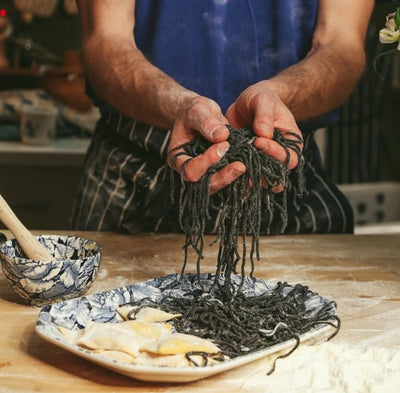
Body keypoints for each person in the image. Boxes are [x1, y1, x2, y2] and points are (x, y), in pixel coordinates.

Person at [71, 0, 374, 235]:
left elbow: (342, 46)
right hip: (138, 174)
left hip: (280, 170)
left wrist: (279, 96)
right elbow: (105, 40)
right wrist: (179, 104)